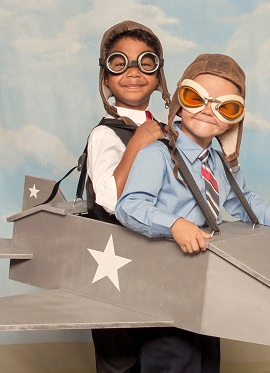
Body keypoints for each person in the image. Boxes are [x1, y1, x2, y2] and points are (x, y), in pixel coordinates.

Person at [115, 53, 270, 372]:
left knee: (206, 360)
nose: (208, 109)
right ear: (179, 99)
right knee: (172, 357)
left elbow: (243, 202)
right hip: (165, 284)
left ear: (235, 118)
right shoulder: (157, 156)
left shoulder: (219, 163)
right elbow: (130, 207)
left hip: (204, 283)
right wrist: (174, 225)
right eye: (196, 97)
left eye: (225, 106)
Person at [87, 20, 170, 373]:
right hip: (116, 268)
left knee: (165, 351)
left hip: (160, 267)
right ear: (106, 78)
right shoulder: (105, 135)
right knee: (122, 359)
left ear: (158, 76)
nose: (133, 72)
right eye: (119, 63)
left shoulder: (169, 132)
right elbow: (108, 198)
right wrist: (137, 143)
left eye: (145, 62)